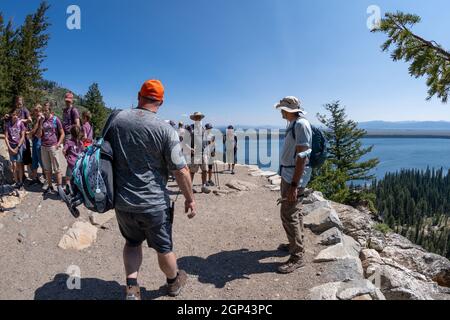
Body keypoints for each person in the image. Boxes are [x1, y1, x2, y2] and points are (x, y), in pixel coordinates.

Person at [104, 79, 197, 300]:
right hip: (154, 203)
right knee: (164, 248)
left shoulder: (116, 120)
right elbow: (181, 170)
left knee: (132, 243)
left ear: (139, 95)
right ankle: (173, 283)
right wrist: (190, 199)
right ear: (161, 102)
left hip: (123, 200)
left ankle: (132, 289)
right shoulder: (166, 130)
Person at [274, 96, 312, 274]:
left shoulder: (300, 125)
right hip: (289, 174)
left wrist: (294, 185)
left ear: (288, 110)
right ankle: (296, 243)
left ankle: (297, 256)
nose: (280, 111)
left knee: (288, 213)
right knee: (294, 211)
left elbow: (302, 157)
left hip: (293, 177)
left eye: (282, 109)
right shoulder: (293, 123)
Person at [36, 102, 65, 196]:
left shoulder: (56, 119)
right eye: (43, 111)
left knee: (57, 168)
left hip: (53, 146)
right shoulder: (42, 120)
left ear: (51, 110)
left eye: (46, 110)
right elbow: (39, 135)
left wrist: (58, 144)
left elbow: (62, 133)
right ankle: (49, 186)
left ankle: (60, 187)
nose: (44, 112)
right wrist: (40, 122)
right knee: (47, 169)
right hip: (44, 146)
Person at [188, 112, 211, 194]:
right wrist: (189, 148)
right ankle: (190, 187)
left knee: (205, 170)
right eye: (197, 117)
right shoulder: (190, 128)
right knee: (192, 171)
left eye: (199, 117)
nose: (198, 118)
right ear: (194, 118)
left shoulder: (203, 129)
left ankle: (203, 186)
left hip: (203, 153)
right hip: (195, 154)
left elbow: (204, 141)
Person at [4, 109, 26, 190]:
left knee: (19, 164)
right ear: (11, 115)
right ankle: (16, 182)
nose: (15, 116)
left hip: (18, 146)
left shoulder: (20, 123)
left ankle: (20, 182)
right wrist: (10, 148)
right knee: (14, 165)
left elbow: (23, 136)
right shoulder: (8, 124)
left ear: (18, 116)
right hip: (11, 145)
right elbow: (6, 137)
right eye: (13, 115)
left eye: (16, 115)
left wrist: (17, 147)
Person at [28, 105, 45, 186]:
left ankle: (46, 179)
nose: (35, 112)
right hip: (35, 140)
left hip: (39, 141)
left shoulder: (41, 118)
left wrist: (30, 133)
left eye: (36, 111)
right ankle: (35, 178)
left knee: (41, 160)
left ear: (39, 110)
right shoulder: (37, 118)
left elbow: (36, 130)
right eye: (35, 111)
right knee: (34, 159)